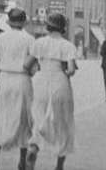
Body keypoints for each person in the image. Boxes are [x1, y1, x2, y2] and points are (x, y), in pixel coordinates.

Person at [0, 8, 35, 170]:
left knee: (1, 117)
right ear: (24, 22)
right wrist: (29, 72)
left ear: (9, 22)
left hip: (5, 80)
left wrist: (3, 69)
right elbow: (33, 66)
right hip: (23, 81)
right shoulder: (29, 39)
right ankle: (22, 160)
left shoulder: (2, 37)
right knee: (23, 119)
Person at [25, 13, 77, 170]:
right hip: (60, 82)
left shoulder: (39, 43)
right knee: (63, 121)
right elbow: (71, 70)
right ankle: (59, 164)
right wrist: (65, 72)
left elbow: (27, 65)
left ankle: (34, 147)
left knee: (38, 117)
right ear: (63, 28)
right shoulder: (68, 45)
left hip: (40, 81)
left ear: (48, 26)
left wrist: (36, 71)